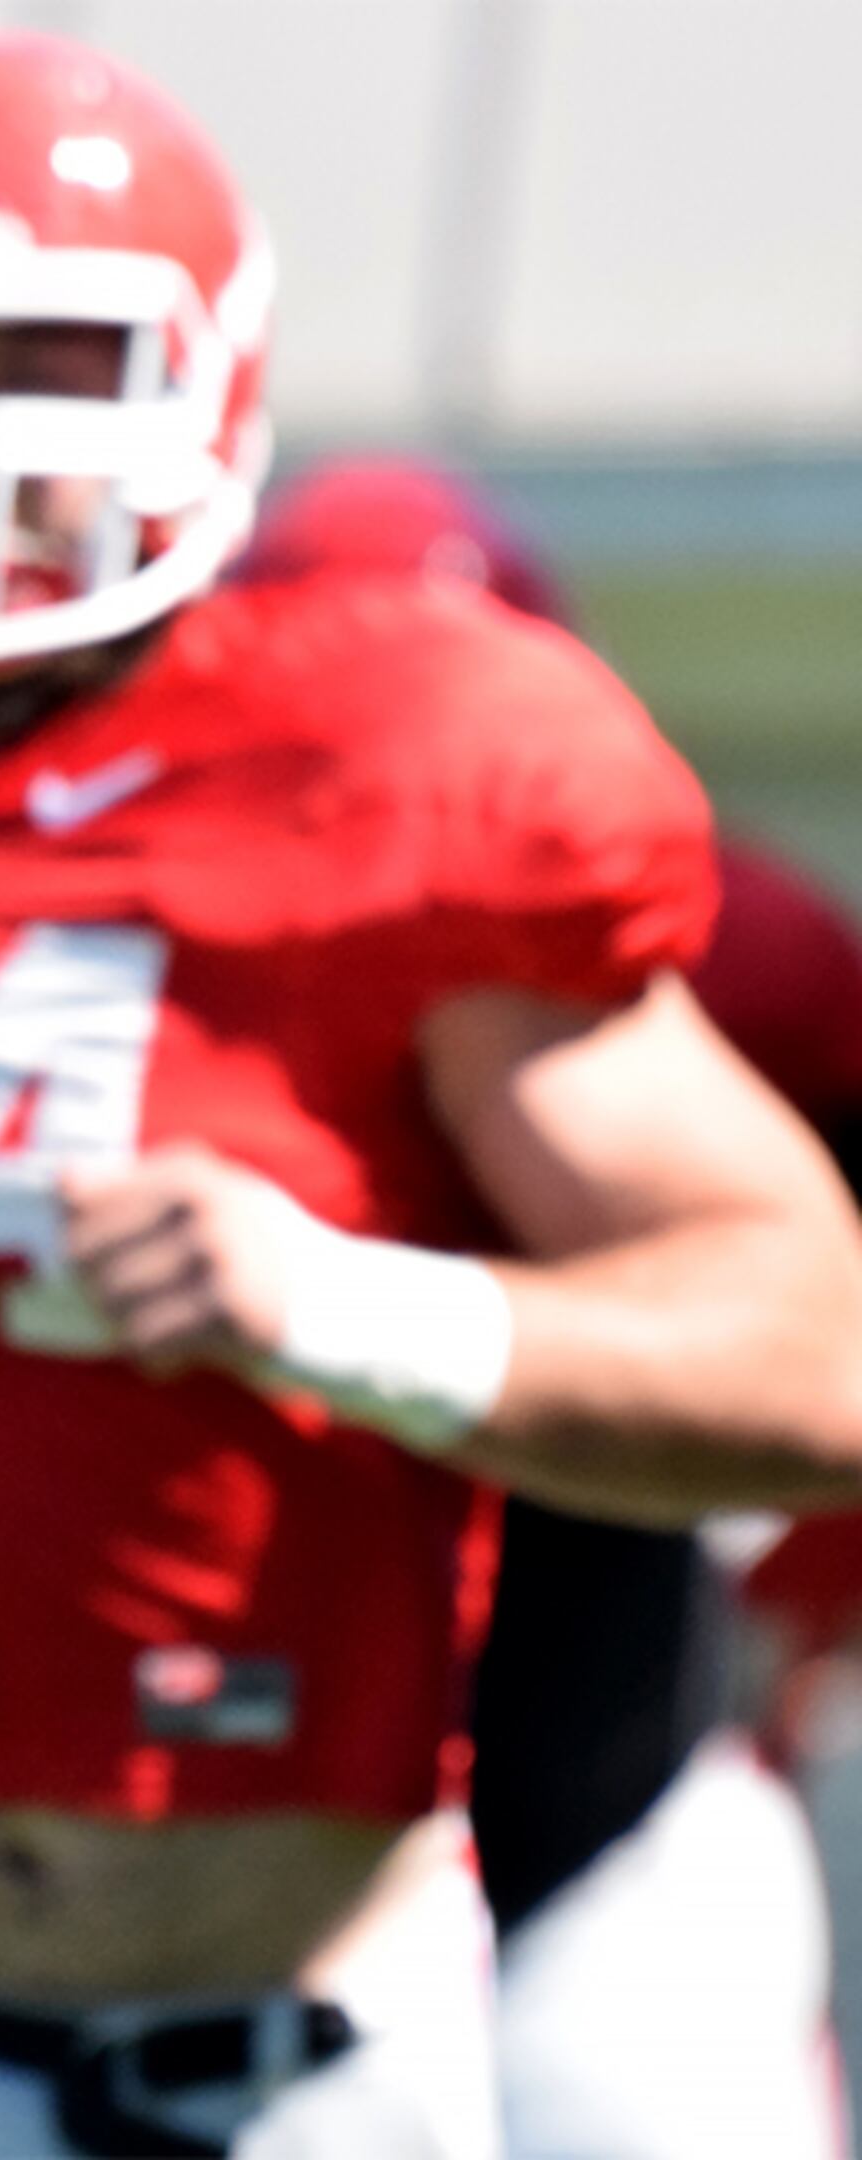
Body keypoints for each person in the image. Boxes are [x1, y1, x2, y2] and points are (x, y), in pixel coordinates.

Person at [0, 33, 862, 2156]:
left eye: (29, 349)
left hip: (296, 2030)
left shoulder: (393, 749)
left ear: (204, 379)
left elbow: (814, 1350)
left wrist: (355, 1311)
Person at [238, 453, 859, 2159]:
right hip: (249, 1848)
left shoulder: (746, 947)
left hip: (615, 1783)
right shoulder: (113, 939)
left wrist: (812, 1570)